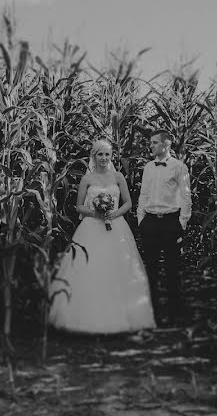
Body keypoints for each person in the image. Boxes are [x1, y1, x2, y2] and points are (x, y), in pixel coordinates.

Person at [48, 139, 156, 334]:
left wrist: (114, 213)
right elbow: (79, 206)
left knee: (118, 269)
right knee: (90, 268)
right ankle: (87, 319)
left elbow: (128, 203)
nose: (104, 158)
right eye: (100, 154)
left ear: (111, 156)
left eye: (107, 154)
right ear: (94, 156)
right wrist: (95, 213)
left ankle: (123, 318)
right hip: (91, 227)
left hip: (116, 227)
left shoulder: (118, 177)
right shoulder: (87, 180)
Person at [137, 129, 192, 326]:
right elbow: (143, 194)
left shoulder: (179, 167)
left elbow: (186, 197)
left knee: (172, 269)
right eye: (151, 142)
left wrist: (182, 223)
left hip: (170, 222)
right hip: (150, 222)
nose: (151, 146)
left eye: (154, 143)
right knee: (150, 268)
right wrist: (141, 219)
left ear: (165, 145)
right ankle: (153, 312)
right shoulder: (148, 167)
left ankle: (174, 313)